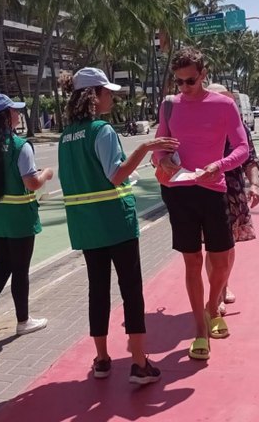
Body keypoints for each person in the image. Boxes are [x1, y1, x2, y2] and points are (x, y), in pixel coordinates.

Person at [57, 68, 177, 384]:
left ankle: (101, 359)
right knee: (130, 290)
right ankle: (139, 363)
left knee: (97, 291)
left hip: (86, 227)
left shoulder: (67, 136)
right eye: (108, 92)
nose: (113, 96)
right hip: (115, 223)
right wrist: (146, 147)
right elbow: (116, 175)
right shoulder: (102, 130)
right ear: (94, 95)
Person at [153, 47, 249, 361]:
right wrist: (163, 160)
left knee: (220, 262)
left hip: (212, 187)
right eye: (178, 81)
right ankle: (199, 329)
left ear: (203, 75)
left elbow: (242, 148)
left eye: (190, 81)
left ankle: (211, 308)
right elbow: (158, 147)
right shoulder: (168, 105)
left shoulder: (224, 105)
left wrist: (218, 166)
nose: (183, 88)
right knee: (192, 261)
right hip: (179, 192)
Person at [0, 94, 54, 346]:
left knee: (1, 264)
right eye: (15, 111)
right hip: (18, 219)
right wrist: (46, 174)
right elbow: (31, 182)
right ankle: (23, 321)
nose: (19, 115)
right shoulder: (20, 146)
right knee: (20, 269)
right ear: (5, 117)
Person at [204, 84, 259, 316]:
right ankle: (215, 294)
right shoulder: (201, 127)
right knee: (213, 247)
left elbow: (251, 159)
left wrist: (254, 184)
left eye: (226, 99)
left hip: (234, 193)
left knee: (229, 245)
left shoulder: (240, 127)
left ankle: (224, 285)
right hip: (207, 193)